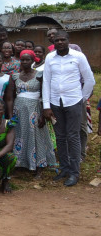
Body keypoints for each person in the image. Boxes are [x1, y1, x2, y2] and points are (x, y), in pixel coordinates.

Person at [42, 31, 95, 186]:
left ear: (68, 41)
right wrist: (46, 106)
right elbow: (46, 82)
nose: (60, 42)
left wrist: (82, 99)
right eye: (57, 40)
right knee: (60, 136)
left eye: (62, 40)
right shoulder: (50, 57)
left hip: (74, 101)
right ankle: (64, 168)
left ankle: (74, 172)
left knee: (73, 136)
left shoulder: (78, 56)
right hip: (55, 102)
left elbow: (90, 79)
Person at [9, 50, 56, 179]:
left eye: (27, 59)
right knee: (19, 134)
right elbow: (11, 96)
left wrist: (43, 114)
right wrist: (11, 113)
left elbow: (44, 95)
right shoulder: (14, 76)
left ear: (33, 60)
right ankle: (19, 163)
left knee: (37, 136)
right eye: (22, 59)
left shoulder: (40, 75)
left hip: (35, 110)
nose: (24, 62)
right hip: (19, 110)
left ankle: (39, 166)